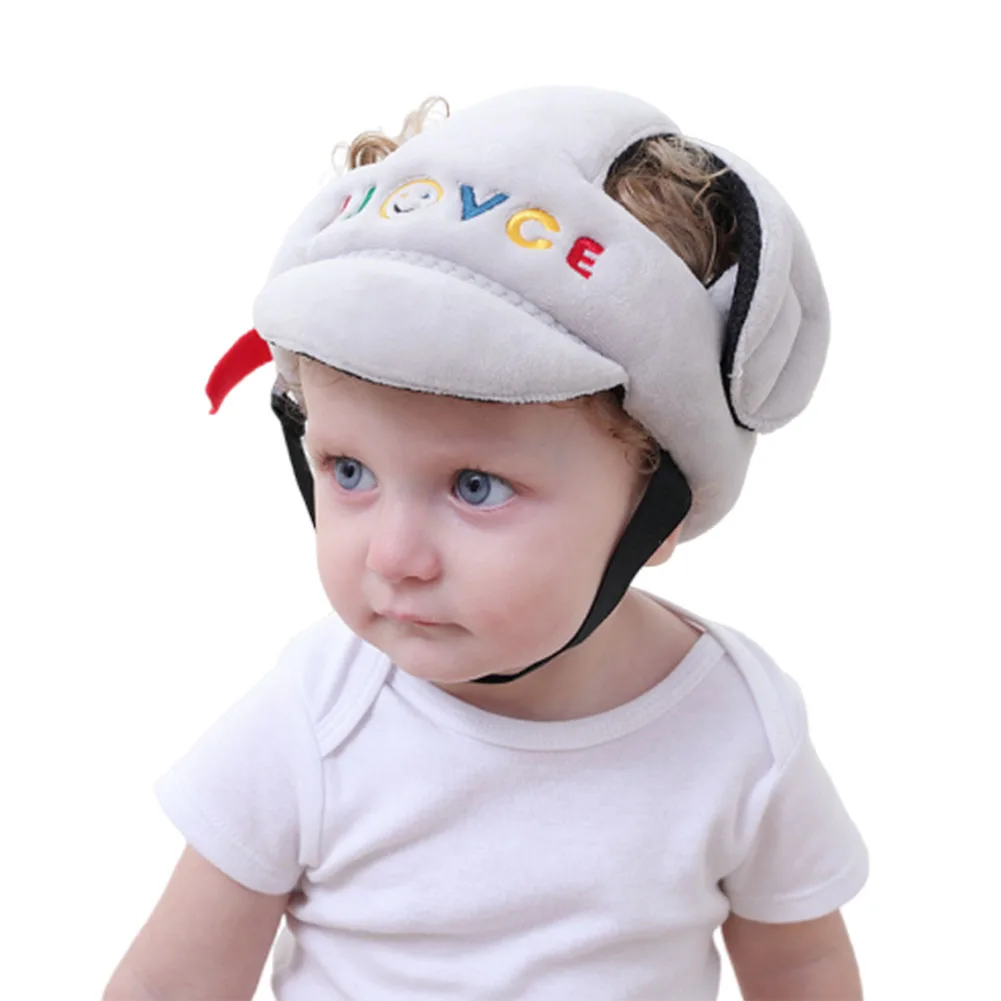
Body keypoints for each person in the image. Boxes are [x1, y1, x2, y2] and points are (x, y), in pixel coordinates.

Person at [103, 86, 868, 1001]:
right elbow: (171, 983)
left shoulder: (738, 729)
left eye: (476, 487)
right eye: (349, 469)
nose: (393, 555)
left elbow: (800, 966)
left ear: (656, 508)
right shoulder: (315, 719)